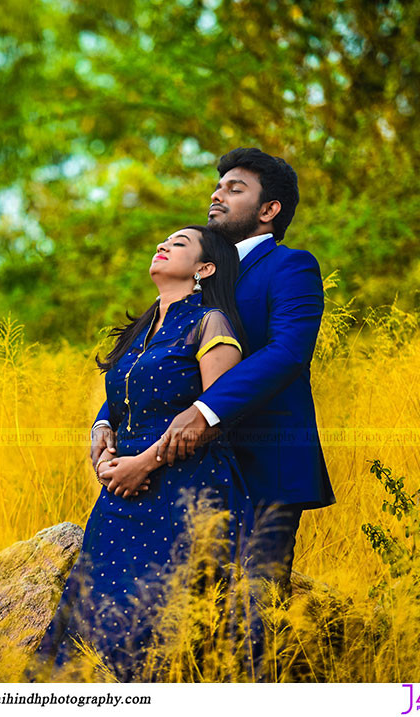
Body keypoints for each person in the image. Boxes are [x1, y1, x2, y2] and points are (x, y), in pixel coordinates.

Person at [91, 148, 336, 680]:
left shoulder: (291, 266)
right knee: (171, 620)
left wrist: (205, 410)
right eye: (217, 185)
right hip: (185, 474)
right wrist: (106, 420)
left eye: (234, 187)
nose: (217, 194)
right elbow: (160, 355)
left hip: (265, 463)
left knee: (251, 621)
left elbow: (289, 352)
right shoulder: (196, 275)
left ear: (269, 209)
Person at [30, 224, 253, 681]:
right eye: (163, 241)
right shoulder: (142, 327)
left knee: (155, 625)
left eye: (179, 244)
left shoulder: (210, 323)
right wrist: (102, 429)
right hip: (120, 498)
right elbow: (121, 393)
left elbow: (217, 414)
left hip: (186, 489)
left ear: (204, 268)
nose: (162, 246)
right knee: (92, 618)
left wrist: (141, 464)